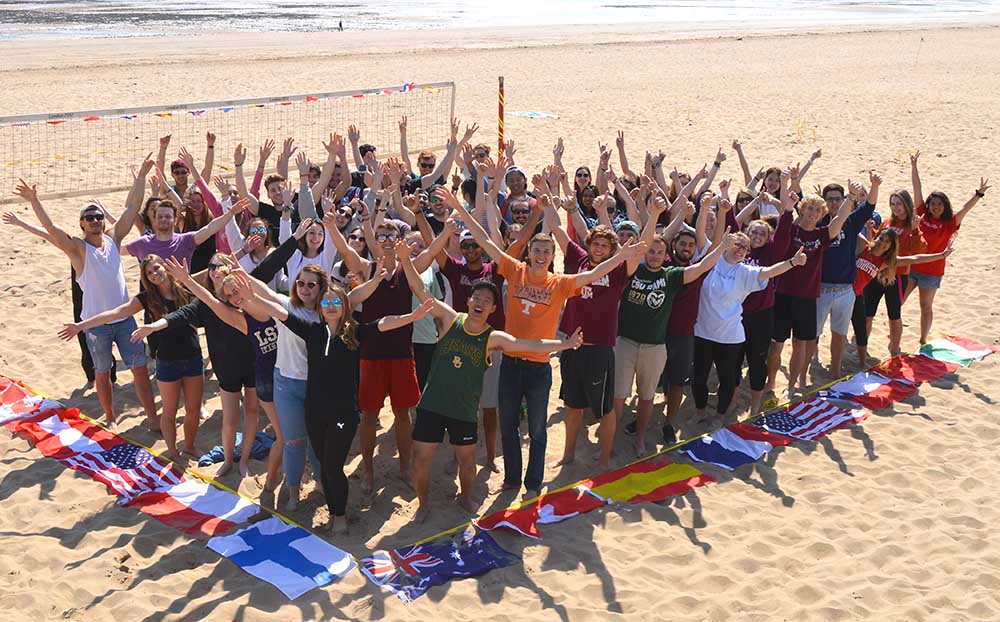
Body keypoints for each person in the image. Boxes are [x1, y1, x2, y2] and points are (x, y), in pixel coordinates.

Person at [441, 187, 646, 499]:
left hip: (539, 368)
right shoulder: (514, 269)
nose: (540, 255)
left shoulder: (560, 284)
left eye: (546, 252)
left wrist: (621, 256)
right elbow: (483, 239)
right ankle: (512, 480)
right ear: (529, 254)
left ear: (553, 258)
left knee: (537, 431)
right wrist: (459, 206)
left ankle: (533, 484)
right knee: (509, 426)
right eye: (536, 251)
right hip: (510, 362)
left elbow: (595, 273)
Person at [399, 247, 584, 522]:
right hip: (433, 404)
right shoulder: (451, 319)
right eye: (477, 297)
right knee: (421, 459)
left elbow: (530, 344)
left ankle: (466, 498)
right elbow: (420, 290)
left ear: (493, 309)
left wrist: (565, 344)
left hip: (463, 410)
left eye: (486, 300)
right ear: (469, 300)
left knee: (467, 463)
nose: (480, 302)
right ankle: (422, 505)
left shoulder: (494, 337)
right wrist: (404, 259)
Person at [232, 271, 422, 533]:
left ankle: (340, 518)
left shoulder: (354, 332)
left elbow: (382, 323)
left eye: (336, 303)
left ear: (344, 307)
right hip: (315, 412)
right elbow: (280, 312)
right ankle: (333, 513)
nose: (331, 307)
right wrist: (251, 296)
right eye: (326, 303)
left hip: (344, 414)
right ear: (321, 308)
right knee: (323, 466)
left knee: (333, 468)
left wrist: (412, 317)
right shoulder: (312, 332)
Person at [325, 178, 450, 493]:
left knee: (403, 416)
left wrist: (449, 228)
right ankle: (367, 471)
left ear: (400, 240)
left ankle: (405, 469)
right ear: (375, 241)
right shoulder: (366, 268)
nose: (385, 240)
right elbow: (342, 247)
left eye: (391, 235)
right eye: (381, 236)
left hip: (401, 352)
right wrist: (331, 226)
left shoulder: (409, 267)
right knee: (368, 417)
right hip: (371, 354)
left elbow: (434, 249)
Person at [13, 174, 155, 427]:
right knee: (102, 373)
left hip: (125, 320)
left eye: (98, 216)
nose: (95, 220)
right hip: (96, 324)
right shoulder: (78, 249)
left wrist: (141, 176)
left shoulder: (113, 239)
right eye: (89, 217)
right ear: (81, 223)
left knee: (140, 370)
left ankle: (152, 417)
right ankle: (110, 417)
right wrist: (35, 201)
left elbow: (133, 207)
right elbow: (52, 230)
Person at [617, 198, 728, 451]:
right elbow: (648, 245)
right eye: (683, 243)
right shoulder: (660, 266)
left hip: (682, 335)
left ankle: (668, 424)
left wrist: (720, 215)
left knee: (677, 383)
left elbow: (711, 253)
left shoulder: (693, 271)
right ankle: (640, 421)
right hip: (654, 335)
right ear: (673, 247)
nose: (688, 247)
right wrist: (656, 214)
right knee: (647, 385)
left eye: (691, 245)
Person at [60, 254, 202, 448]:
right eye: (149, 273)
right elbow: (116, 313)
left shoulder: (184, 286)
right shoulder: (147, 298)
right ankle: (173, 451)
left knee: (193, 409)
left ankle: (189, 447)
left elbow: (213, 276)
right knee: (169, 411)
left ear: (165, 267)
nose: (154, 274)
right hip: (167, 359)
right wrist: (81, 325)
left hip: (193, 355)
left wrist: (244, 252)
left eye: (157, 268)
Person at [693, 224, 807, 424]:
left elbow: (770, 271)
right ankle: (700, 412)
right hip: (702, 332)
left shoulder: (746, 272)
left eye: (744, 248)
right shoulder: (713, 261)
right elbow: (701, 234)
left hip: (730, 336)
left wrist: (792, 262)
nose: (740, 250)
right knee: (699, 378)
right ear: (727, 245)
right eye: (737, 245)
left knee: (728, 379)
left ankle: (720, 415)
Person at [766, 173, 854, 401]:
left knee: (801, 344)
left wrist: (851, 196)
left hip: (807, 297)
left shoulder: (822, 235)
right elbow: (785, 210)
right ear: (802, 210)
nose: (813, 213)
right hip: (784, 294)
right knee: (776, 345)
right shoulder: (791, 229)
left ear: (821, 214)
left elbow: (840, 220)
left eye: (817, 210)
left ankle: (792, 385)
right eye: (809, 209)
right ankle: (771, 384)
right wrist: (785, 184)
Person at [436, 229, 506, 470]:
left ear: (482, 247)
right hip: (460, 346)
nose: (470, 250)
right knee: (460, 407)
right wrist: (420, 215)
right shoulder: (456, 270)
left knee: (489, 408)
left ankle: (489, 458)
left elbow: (516, 248)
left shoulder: (493, 270)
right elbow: (433, 247)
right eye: (465, 246)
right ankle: (457, 457)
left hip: (490, 346)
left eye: (475, 245)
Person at [906, 151, 989, 344]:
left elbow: (965, 210)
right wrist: (914, 166)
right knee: (898, 301)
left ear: (944, 206)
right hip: (911, 266)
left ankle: (923, 339)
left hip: (932, 271)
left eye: (939, 204)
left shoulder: (950, 223)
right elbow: (917, 189)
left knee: (925, 306)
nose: (935, 207)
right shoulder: (921, 214)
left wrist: (978, 194)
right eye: (932, 204)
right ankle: (896, 333)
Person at [810, 172, 882, 378]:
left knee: (839, 333)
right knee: (812, 334)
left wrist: (874, 186)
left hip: (845, 290)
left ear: (843, 200)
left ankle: (835, 370)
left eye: (837, 199)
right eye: (829, 199)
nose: (833, 203)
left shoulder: (850, 222)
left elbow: (869, 207)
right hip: (820, 287)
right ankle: (811, 363)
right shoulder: (817, 221)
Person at [853, 228, 955, 366]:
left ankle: (862, 363)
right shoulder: (864, 247)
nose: (882, 243)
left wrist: (942, 255)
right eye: (881, 238)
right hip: (843, 291)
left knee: (860, 327)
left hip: (855, 295)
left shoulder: (885, 262)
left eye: (887, 242)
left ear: (891, 247)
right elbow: (851, 227)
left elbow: (915, 259)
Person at [863, 189, 923, 356]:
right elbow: (876, 243)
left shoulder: (912, 224)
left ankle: (895, 349)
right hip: (877, 274)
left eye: (899, 204)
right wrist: (870, 231)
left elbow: (918, 249)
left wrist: (916, 230)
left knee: (894, 314)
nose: (896, 207)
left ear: (906, 204)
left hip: (898, 276)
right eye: (893, 204)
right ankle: (863, 346)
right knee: (868, 312)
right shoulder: (888, 222)